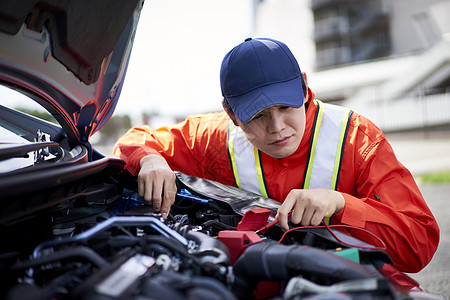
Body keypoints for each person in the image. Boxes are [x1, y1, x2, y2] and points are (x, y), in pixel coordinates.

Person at [113, 37, 439, 273]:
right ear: (231, 113)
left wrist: (341, 204)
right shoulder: (213, 138)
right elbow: (136, 140)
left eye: (285, 106)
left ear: (304, 88)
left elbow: (418, 244)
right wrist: (151, 158)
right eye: (257, 115)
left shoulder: (356, 139)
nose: (277, 127)